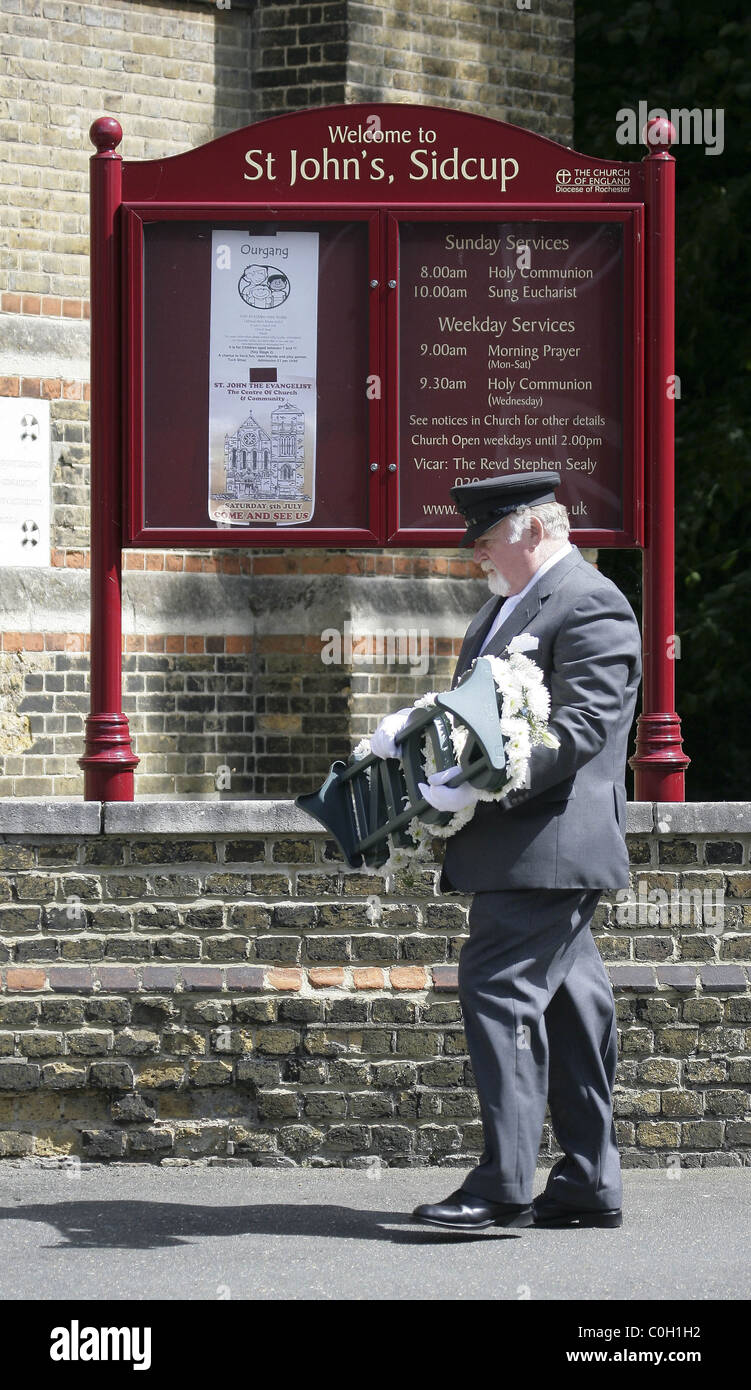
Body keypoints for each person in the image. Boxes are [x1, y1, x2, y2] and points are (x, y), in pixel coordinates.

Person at [370, 470, 642, 1232]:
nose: (478, 554)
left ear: (530, 527)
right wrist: (423, 736)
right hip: (526, 846)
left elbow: (581, 728)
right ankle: (587, 1181)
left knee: (498, 994)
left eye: (487, 538)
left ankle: (501, 1186)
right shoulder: (504, 605)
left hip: (547, 841)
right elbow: (479, 710)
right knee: (569, 1011)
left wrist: (486, 779)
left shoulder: (590, 601)